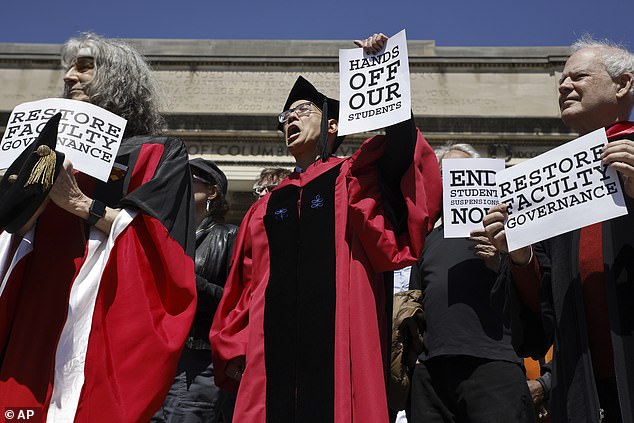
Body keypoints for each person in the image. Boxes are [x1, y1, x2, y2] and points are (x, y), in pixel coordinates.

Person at [210, 33, 442, 423]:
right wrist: (233, 344)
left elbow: (402, 154)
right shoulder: (266, 207)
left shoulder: (354, 179)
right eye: (286, 117)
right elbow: (245, 284)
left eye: (303, 110)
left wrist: (380, 70)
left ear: (333, 126)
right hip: (272, 358)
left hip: (340, 351)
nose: (291, 119)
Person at [0, 33, 196, 422]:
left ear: (118, 78)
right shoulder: (40, 148)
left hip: (99, 309)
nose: (70, 77)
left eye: (84, 67)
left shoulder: (157, 152)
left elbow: (161, 241)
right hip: (33, 304)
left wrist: (81, 204)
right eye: (68, 69)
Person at [482, 36, 634, 423]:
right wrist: (519, 255)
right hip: (582, 383)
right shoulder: (553, 184)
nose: (565, 86)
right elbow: (541, 309)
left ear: (623, 84)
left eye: (579, 76)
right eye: (561, 80)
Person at [407, 143, 535, 423]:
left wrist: (500, 260)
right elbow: (415, 303)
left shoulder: (505, 235)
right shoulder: (426, 240)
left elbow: (531, 294)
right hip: (432, 373)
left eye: (459, 171)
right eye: (443, 172)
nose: (449, 179)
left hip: (493, 366)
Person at [154, 158, 238, 422]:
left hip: (198, 361)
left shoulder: (229, 236)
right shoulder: (167, 234)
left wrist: (189, 282)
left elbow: (236, 302)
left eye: (188, 180)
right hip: (159, 356)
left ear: (212, 192)